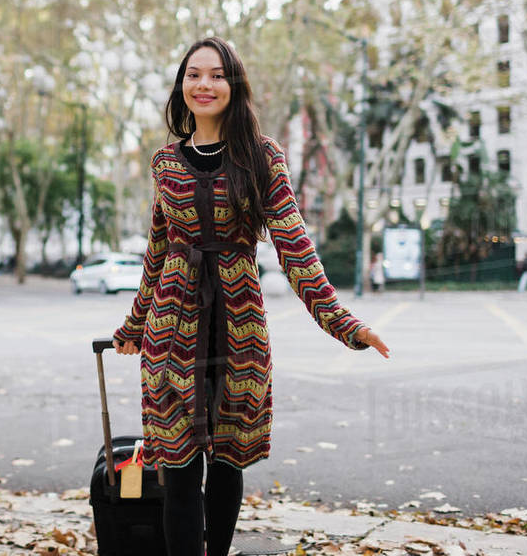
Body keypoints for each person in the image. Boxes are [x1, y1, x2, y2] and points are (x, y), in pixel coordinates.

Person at [111, 37, 390, 556]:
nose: (204, 84)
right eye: (193, 74)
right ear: (181, 85)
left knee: (226, 464)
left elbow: (296, 249)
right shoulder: (165, 163)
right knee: (177, 470)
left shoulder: (263, 158)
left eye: (216, 75)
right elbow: (156, 252)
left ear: (233, 85)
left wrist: (345, 324)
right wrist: (131, 327)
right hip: (171, 335)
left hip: (240, 334)